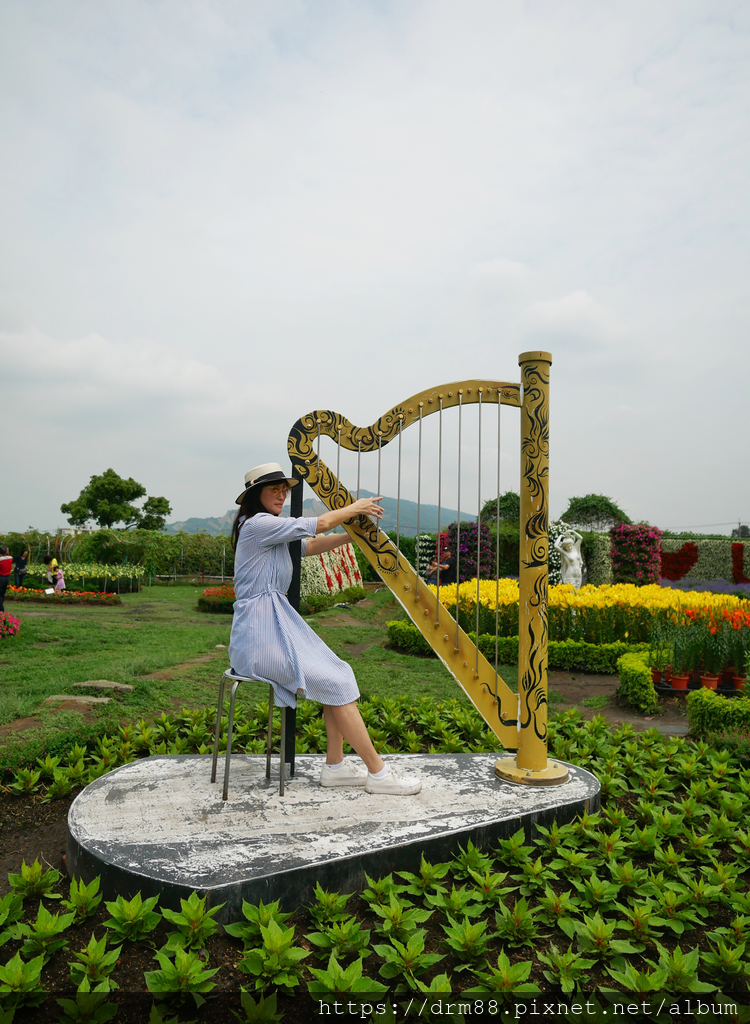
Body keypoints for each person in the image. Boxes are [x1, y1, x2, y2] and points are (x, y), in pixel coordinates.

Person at [228, 462, 421, 796]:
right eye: (274, 489)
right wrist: (354, 508)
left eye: (284, 489)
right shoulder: (258, 524)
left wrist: (355, 535)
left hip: (275, 625)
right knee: (333, 678)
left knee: (339, 673)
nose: (281, 494)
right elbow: (317, 524)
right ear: (255, 495)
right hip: (258, 637)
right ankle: (378, 773)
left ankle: (335, 767)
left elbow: (311, 545)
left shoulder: (272, 530)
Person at [0, 546, 11, 612]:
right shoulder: (10, 558)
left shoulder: (1, 560)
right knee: (2, 594)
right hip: (6, 578)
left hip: (0, 577)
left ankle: (1, 609)